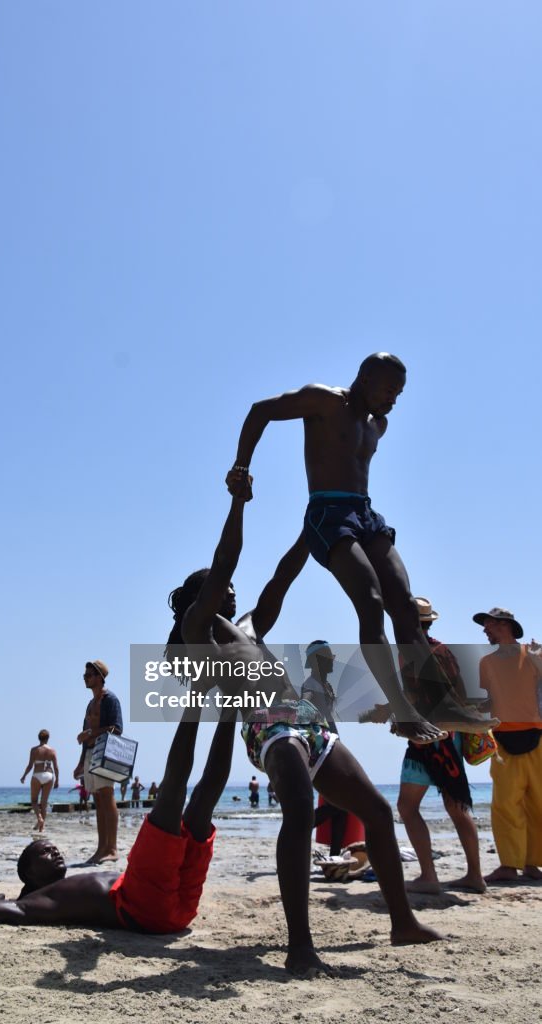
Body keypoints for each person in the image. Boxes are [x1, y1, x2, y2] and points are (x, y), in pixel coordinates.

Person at [169, 473, 441, 976]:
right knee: (297, 814)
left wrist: (309, 530)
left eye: (229, 587)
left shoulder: (250, 626)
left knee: (378, 813)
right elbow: (227, 558)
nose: (230, 589)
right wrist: (238, 504)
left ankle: (402, 922)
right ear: (201, 595)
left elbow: (282, 578)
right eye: (219, 586)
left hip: (307, 720)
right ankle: (300, 946)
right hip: (267, 728)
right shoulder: (196, 630)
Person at [227, 353, 497, 741]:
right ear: (365, 378)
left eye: (399, 394)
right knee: (370, 603)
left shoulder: (378, 425)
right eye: (389, 390)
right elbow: (260, 411)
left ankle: (441, 702)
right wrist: (241, 467)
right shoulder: (323, 401)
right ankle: (403, 712)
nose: (393, 401)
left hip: (365, 514)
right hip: (327, 513)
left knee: (404, 605)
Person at [0, 703, 237, 931]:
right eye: (43, 852)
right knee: (172, 790)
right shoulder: (37, 901)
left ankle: (230, 705)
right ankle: (196, 696)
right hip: (144, 903)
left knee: (203, 799)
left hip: (178, 908)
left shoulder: (56, 890)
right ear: (29, 874)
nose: (53, 851)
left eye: (52, 848)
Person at [395, 598, 486, 893]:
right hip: (448, 734)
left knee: (409, 807)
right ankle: (474, 875)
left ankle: (429, 876)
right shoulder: (442, 650)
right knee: (455, 805)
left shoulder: (415, 654)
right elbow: (460, 694)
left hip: (430, 737)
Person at [473, 607, 542, 883]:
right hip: (501, 739)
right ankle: (509, 865)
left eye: (488, 624)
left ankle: (532, 864)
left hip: (537, 736)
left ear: (505, 625)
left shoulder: (534, 655)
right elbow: (488, 700)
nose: (485, 630)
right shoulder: (486, 663)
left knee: (537, 803)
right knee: (505, 803)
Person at [303, 641, 361, 857]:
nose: (332, 661)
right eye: (328, 657)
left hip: (332, 745)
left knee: (340, 804)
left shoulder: (324, 685)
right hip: (321, 749)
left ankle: (335, 856)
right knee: (338, 804)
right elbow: (304, 708)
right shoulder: (311, 685)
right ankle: (297, 829)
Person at [74, 660, 123, 864]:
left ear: (99, 677)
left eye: (89, 675)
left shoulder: (110, 699)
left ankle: (112, 848)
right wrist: (80, 763)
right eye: (85, 675)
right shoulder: (91, 703)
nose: (86, 678)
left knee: (107, 795)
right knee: (98, 800)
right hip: (90, 753)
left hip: (105, 752)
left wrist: (91, 733)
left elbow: (117, 728)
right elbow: (87, 736)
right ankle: (101, 848)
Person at [20, 730, 59, 833]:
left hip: (37, 775)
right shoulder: (52, 751)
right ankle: (42, 828)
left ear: (39, 738)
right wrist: (57, 780)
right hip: (49, 775)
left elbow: (30, 765)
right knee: (44, 803)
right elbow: (56, 767)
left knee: (34, 801)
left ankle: (39, 819)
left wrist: (24, 776)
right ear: (48, 738)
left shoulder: (34, 750)